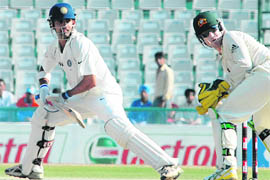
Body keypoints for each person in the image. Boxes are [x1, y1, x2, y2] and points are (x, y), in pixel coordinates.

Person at [5, 3, 182, 180]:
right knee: (42, 115)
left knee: (118, 129)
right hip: (80, 97)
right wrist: (43, 88)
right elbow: (44, 71)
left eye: (67, 21)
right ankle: (31, 168)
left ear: (74, 22)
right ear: (52, 24)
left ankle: (167, 165)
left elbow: (90, 82)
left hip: (103, 94)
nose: (63, 25)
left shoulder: (81, 43)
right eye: (59, 21)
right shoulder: (53, 48)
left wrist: (64, 95)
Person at [193, 11, 270, 180]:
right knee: (263, 126)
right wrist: (224, 90)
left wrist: (224, 87)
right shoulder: (225, 55)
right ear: (202, 40)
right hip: (264, 79)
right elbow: (241, 76)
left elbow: (244, 67)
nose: (212, 36)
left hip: (265, 73)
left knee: (224, 116)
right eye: (205, 34)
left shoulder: (230, 38)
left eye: (213, 29)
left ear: (220, 27)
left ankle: (227, 168)